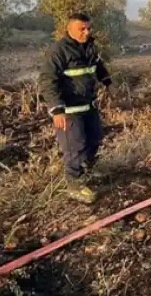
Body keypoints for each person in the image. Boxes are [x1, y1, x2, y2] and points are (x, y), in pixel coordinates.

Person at [39, 13, 114, 204]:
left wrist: (107, 81)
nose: (87, 32)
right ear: (69, 29)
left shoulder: (89, 47)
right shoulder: (58, 51)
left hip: (88, 105)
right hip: (69, 110)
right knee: (75, 147)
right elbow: (48, 81)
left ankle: (87, 172)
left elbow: (98, 65)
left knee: (95, 138)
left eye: (88, 28)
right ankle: (74, 185)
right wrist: (57, 110)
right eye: (82, 29)